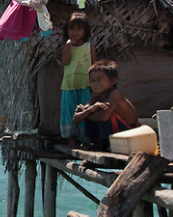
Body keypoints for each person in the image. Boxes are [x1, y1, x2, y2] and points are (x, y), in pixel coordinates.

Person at [72, 60, 139, 149]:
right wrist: (89, 110)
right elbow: (75, 119)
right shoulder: (96, 97)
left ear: (113, 80)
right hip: (114, 133)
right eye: (92, 81)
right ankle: (97, 141)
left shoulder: (115, 94)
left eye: (99, 79)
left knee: (99, 109)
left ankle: (102, 143)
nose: (96, 83)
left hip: (130, 132)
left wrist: (87, 111)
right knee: (93, 109)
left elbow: (103, 117)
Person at [60, 12, 96, 146]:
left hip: (85, 84)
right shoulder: (67, 45)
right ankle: (71, 139)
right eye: (72, 29)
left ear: (85, 30)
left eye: (79, 29)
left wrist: (95, 83)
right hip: (70, 84)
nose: (75, 32)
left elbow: (94, 65)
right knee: (69, 110)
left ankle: (85, 139)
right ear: (67, 30)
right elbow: (65, 61)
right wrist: (69, 46)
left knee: (85, 111)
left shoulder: (88, 46)